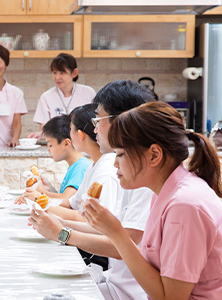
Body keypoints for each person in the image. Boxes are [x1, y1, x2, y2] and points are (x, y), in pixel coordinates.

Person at [29, 80, 157, 300]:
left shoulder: (143, 177)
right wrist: (57, 224)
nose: (94, 127)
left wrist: (63, 233)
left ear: (123, 120)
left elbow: (123, 246)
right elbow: (108, 228)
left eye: (98, 119)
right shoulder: (121, 167)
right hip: (113, 283)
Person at [83, 101, 222, 299]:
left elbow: (169, 298)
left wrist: (117, 234)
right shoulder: (164, 194)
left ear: (154, 155)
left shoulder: (185, 205)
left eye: (120, 154)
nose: (115, 163)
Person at [29, 53, 96, 140]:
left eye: (62, 73)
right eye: (54, 72)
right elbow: (44, 128)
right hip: (58, 146)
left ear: (74, 73)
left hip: (83, 144)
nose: (57, 77)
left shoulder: (88, 93)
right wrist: (40, 134)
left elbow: (95, 123)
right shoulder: (46, 97)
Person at [23, 114, 91, 200]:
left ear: (66, 143)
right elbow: (65, 200)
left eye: (50, 145)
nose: (48, 150)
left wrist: (40, 191)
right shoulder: (75, 165)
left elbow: (66, 200)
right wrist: (50, 189)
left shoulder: (80, 167)